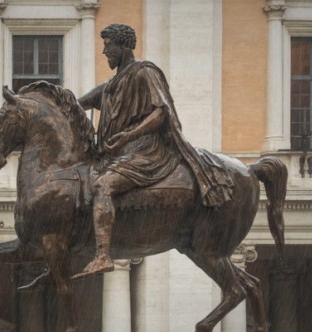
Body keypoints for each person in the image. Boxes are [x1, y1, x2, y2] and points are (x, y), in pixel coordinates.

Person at [72, 24, 233, 280]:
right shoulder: (113, 83)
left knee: (103, 186)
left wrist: (130, 134)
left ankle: (102, 254)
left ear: (123, 46)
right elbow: (78, 103)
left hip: (146, 151)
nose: (104, 51)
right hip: (118, 153)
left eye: (108, 45)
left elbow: (162, 112)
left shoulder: (145, 72)